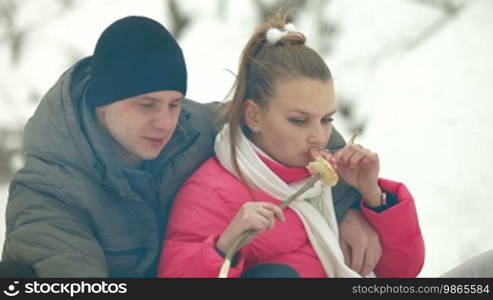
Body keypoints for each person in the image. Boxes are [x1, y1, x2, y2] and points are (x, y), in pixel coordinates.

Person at [1, 15, 379, 277]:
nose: (164, 122)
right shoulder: (48, 196)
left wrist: (346, 204)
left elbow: (292, 124)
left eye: (174, 103)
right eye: (146, 105)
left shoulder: (191, 128)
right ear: (102, 102)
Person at [158, 11, 425, 278]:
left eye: (326, 119)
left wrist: (373, 197)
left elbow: (401, 273)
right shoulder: (208, 194)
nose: (319, 137)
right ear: (254, 116)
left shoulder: (332, 185)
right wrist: (224, 247)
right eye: (299, 120)